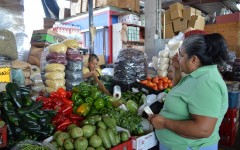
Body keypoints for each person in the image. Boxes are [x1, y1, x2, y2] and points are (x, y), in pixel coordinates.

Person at [148, 33, 229, 150]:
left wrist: (164, 123)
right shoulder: (196, 75)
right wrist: (177, 68)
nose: (178, 58)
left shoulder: (207, 82)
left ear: (194, 59)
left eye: (181, 55)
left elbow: (203, 129)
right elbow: (179, 91)